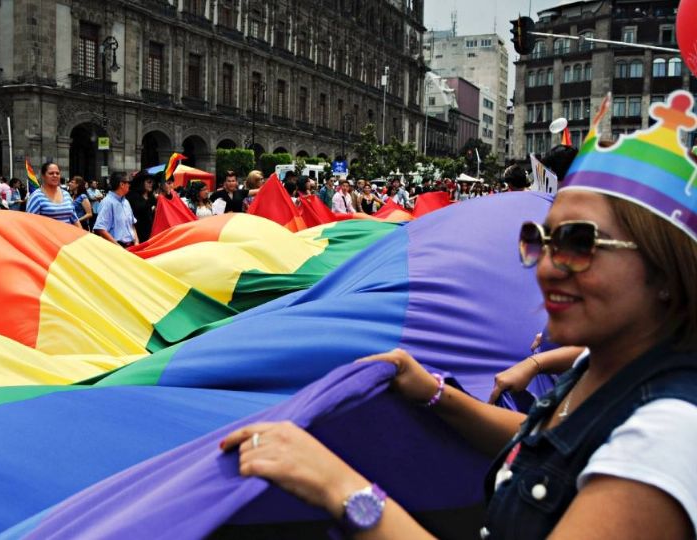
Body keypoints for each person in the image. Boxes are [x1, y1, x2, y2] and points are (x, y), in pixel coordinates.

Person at [221, 92, 697, 539]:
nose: (548, 267)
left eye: (578, 243)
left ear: (664, 273)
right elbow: (544, 439)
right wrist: (436, 394)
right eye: (541, 241)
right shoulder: (602, 367)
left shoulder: (666, 439)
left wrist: (341, 489)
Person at [25, 162, 82, 228]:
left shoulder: (66, 194)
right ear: (43, 176)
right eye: (51, 173)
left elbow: (75, 220)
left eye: (57, 173)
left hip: (68, 237)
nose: (55, 175)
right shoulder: (36, 197)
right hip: (47, 237)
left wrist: (84, 237)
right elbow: (30, 223)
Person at [93, 172, 138, 247]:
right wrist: (118, 247)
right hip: (117, 247)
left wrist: (136, 241)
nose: (129, 185)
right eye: (128, 182)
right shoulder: (107, 202)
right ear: (122, 184)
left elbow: (131, 224)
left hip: (131, 246)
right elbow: (100, 228)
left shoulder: (126, 202)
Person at [127, 172, 156, 243]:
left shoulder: (151, 197)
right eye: (149, 182)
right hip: (137, 235)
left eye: (152, 182)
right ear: (141, 183)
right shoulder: (132, 195)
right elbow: (139, 208)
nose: (151, 184)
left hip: (151, 233)